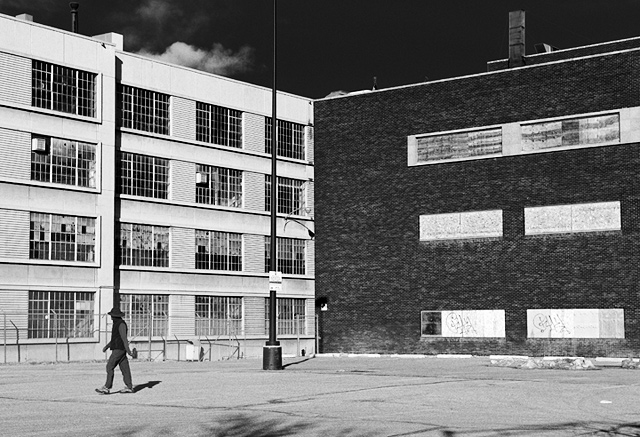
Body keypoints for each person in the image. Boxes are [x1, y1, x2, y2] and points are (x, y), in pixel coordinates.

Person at [96, 307, 134, 394]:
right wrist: (107, 346)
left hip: (118, 350)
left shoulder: (121, 324)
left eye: (112, 316)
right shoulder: (117, 324)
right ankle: (129, 387)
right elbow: (115, 338)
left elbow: (124, 339)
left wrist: (129, 351)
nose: (111, 317)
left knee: (109, 366)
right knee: (125, 368)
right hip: (119, 349)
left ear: (115, 316)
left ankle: (107, 387)